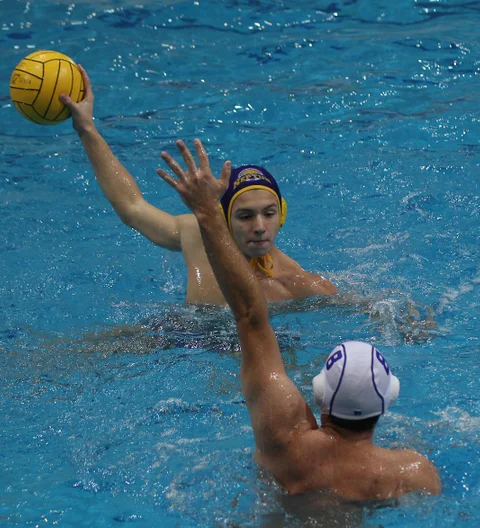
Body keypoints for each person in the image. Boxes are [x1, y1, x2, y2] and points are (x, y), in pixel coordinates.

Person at [157, 138, 441, 500]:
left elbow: (249, 316)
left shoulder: (282, 440)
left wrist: (205, 212)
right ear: (389, 400)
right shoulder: (413, 473)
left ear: (317, 394)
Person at [61, 67, 337, 306]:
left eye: (269, 213)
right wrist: (86, 128)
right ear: (223, 220)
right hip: (181, 334)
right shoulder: (197, 234)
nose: (260, 226)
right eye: (245, 215)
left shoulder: (296, 285)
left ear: (282, 214)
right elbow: (132, 208)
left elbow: (358, 308)